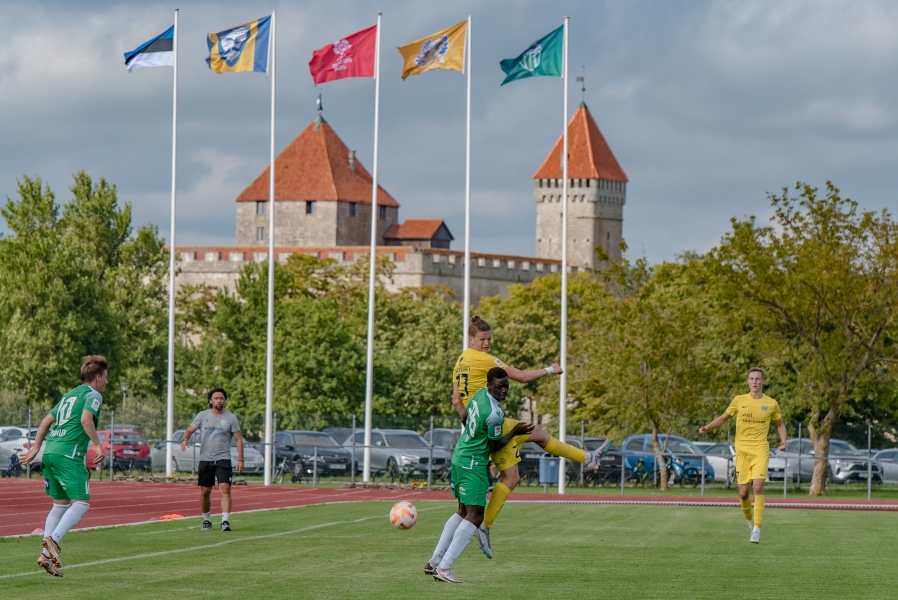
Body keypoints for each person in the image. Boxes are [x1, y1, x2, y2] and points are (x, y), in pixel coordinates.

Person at [451, 316, 609, 555]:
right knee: (512, 478)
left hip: (477, 427)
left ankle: (588, 459)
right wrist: (550, 370)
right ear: (471, 338)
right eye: (482, 339)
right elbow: (522, 377)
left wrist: (470, 424)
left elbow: (456, 401)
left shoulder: (460, 361)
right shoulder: (483, 360)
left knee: (540, 434)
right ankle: (484, 526)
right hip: (494, 423)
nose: (486, 344)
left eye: (489, 339)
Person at [428, 368, 534, 583]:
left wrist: (474, 436)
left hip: (460, 454)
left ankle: (435, 561)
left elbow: (466, 418)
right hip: (473, 463)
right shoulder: (495, 414)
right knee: (476, 516)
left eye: (506, 385)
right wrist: (514, 431)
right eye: (499, 386)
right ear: (489, 386)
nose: (503, 389)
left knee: (461, 511)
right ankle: (445, 567)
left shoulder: (479, 395)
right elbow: (496, 446)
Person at [21, 355, 109, 577]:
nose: (107, 382)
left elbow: (45, 422)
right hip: (68, 455)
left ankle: (45, 555)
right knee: (81, 503)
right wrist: (98, 446)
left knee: (59, 505)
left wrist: (35, 448)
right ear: (97, 378)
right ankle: (53, 541)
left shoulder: (69, 395)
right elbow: (86, 420)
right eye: (106, 377)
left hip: (50, 453)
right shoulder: (93, 394)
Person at [699, 367, 787, 544]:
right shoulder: (739, 400)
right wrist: (708, 427)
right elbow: (723, 418)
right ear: (748, 381)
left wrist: (784, 441)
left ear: (763, 382)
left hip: (760, 450)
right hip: (742, 452)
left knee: (758, 488)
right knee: (743, 493)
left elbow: (780, 424)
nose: (754, 382)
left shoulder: (771, 403)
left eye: (758, 379)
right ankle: (750, 522)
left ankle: (757, 529)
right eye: (752, 379)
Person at [181, 388, 244, 532]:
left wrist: (241, 459)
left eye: (221, 398)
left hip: (223, 458)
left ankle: (225, 521)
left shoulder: (231, 418)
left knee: (225, 489)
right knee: (205, 492)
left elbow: (238, 439)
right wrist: (185, 439)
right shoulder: (203, 415)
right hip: (206, 459)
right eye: (216, 398)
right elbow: (190, 430)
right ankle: (207, 520)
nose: (219, 400)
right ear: (211, 401)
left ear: (224, 400)